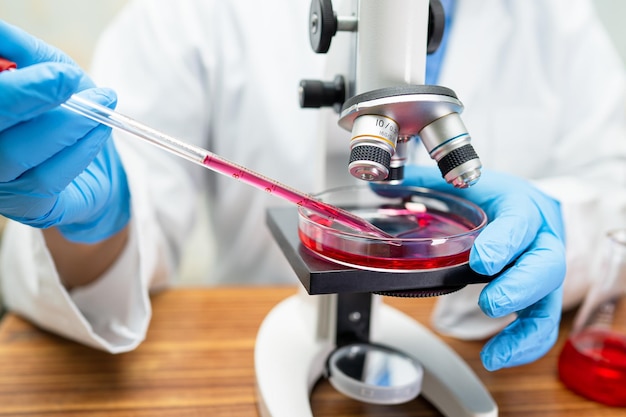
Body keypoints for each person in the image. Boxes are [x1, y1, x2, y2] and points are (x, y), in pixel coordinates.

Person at [0, 0, 624, 372]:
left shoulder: (556, 17)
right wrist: (98, 220)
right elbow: (133, 184)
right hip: (244, 343)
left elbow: (615, 177)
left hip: (469, 345)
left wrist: (570, 223)